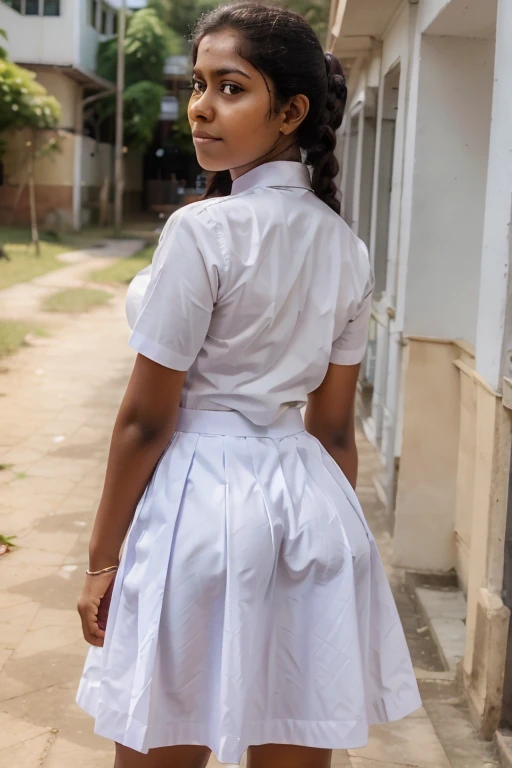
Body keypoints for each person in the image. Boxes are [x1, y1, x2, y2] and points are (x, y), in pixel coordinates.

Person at [76, 4, 421, 767]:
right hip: (310, 515)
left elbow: (144, 421)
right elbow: (333, 431)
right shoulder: (347, 250)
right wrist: (340, 547)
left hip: (198, 513)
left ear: (290, 111)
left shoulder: (204, 231)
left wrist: (103, 559)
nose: (201, 105)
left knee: (163, 740)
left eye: (230, 87)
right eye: (197, 84)